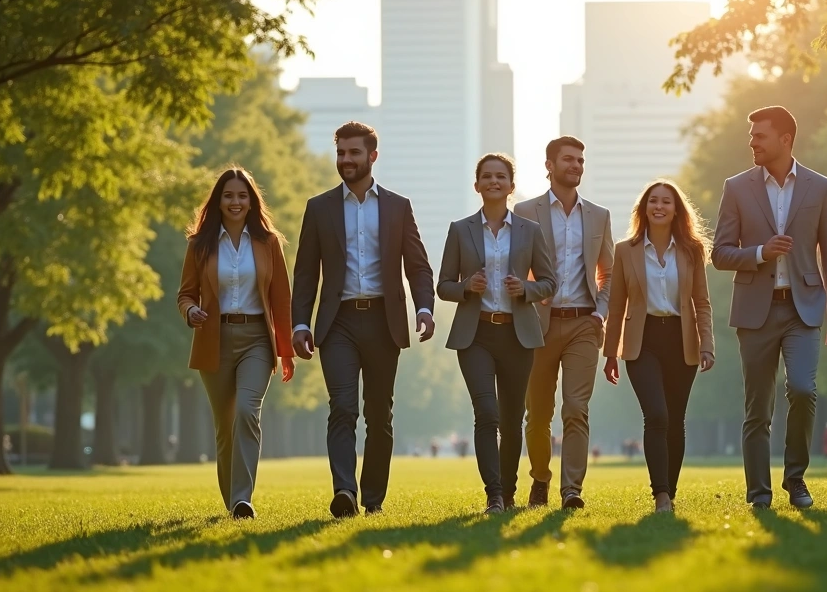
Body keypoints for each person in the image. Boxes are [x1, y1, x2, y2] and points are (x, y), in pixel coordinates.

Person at [290, 121, 437, 518]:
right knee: (342, 408)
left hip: (383, 321)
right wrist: (299, 323)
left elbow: (418, 267)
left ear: (372, 156)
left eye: (354, 153)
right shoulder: (318, 208)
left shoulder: (397, 207)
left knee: (379, 415)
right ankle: (344, 492)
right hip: (336, 323)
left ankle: (372, 498)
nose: (346, 160)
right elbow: (305, 273)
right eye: (340, 153)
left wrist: (424, 308)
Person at [712, 106, 827, 510]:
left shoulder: (820, 187)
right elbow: (719, 253)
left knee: (803, 390)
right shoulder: (736, 187)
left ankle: (796, 479)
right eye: (751, 135)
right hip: (755, 310)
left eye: (760, 135)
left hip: (803, 310)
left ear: (785, 139)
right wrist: (759, 253)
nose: (752, 141)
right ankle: (759, 493)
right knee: (758, 407)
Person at [438, 153, 556, 514]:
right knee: (486, 413)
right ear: (477, 185)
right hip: (475, 335)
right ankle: (493, 495)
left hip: (517, 335)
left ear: (510, 185)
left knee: (510, 418)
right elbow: (443, 285)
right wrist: (466, 287)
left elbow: (550, 282)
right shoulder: (460, 229)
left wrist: (526, 289)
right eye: (487, 176)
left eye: (500, 176)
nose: (493, 181)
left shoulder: (529, 231)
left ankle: (507, 492)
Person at [178, 167, 296, 519]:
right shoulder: (199, 244)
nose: (235, 201)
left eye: (242, 195)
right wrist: (191, 311)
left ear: (251, 201)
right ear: (218, 201)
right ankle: (232, 502)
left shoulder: (268, 242)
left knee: (247, 412)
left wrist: (285, 350)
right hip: (214, 339)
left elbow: (282, 300)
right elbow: (185, 294)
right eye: (228, 195)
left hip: (257, 340)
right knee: (225, 427)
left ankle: (243, 499)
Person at [603, 180, 715, 513]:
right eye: (653, 201)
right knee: (657, 415)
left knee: (676, 419)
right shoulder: (626, 250)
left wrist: (707, 344)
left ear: (676, 209)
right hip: (642, 341)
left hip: (682, 340)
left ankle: (671, 489)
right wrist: (610, 352)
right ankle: (661, 494)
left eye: (667, 201)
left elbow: (702, 302)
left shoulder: (692, 250)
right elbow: (616, 304)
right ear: (644, 208)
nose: (660, 206)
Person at [515, 136, 614, 510]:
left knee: (576, 408)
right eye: (568, 160)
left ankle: (572, 489)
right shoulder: (524, 211)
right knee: (538, 413)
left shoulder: (599, 216)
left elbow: (610, 273)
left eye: (580, 161)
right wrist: (526, 294)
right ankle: (540, 478)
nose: (576, 166)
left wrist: (599, 313)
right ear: (549, 166)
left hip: (583, 326)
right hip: (536, 324)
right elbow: (509, 266)